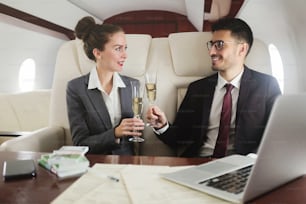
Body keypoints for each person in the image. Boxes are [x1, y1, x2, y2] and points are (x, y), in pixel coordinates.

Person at [146, 17, 281, 158]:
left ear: (242, 49)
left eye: (220, 45)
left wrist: (253, 160)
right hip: (200, 163)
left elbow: (277, 134)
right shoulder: (198, 89)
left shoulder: (267, 86)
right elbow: (180, 137)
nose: (211, 52)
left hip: (244, 166)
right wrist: (162, 126)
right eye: (211, 45)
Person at [66, 16, 144, 155]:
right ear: (97, 53)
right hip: (95, 164)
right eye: (118, 49)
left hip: (127, 163)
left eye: (125, 48)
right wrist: (115, 133)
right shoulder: (76, 88)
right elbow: (80, 143)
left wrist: (151, 123)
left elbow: (137, 134)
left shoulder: (133, 85)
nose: (125, 55)